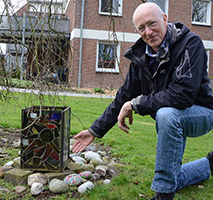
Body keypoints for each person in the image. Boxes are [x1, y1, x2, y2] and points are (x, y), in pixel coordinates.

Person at [71, 2, 213, 200]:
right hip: (171, 117)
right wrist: (95, 130)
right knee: (172, 175)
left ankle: (163, 195)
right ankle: (207, 165)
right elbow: (123, 96)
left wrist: (136, 104)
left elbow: (183, 94)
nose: (148, 32)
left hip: (202, 112)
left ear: (164, 19)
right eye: (141, 28)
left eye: (151, 24)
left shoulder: (190, 43)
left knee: (166, 114)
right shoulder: (141, 57)